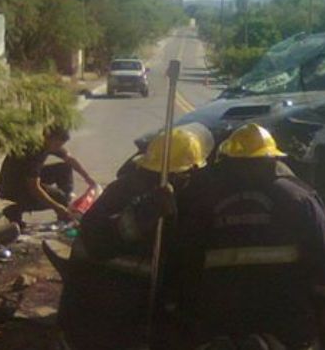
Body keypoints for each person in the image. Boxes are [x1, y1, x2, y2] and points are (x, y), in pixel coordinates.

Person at [182, 123, 325, 350]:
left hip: (221, 319)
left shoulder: (205, 201)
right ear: (272, 160)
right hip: (285, 319)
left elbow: (185, 259)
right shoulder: (298, 198)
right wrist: (320, 312)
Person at [62, 123, 215, 350]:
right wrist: (147, 212)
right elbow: (100, 242)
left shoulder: (121, 190)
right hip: (106, 323)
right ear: (181, 174)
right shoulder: (154, 204)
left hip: (83, 317)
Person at [0, 126, 96, 229]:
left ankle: (66, 203)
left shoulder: (46, 143)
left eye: (60, 145)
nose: (58, 148)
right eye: (57, 144)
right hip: (12, 187)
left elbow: (69, 159)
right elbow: (34, 187)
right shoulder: (35, 152)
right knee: (59, 198)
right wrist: (57, 207)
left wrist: (87, 178)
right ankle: (14, 210)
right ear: (48, 137)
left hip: (22, 177)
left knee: (64, 168)